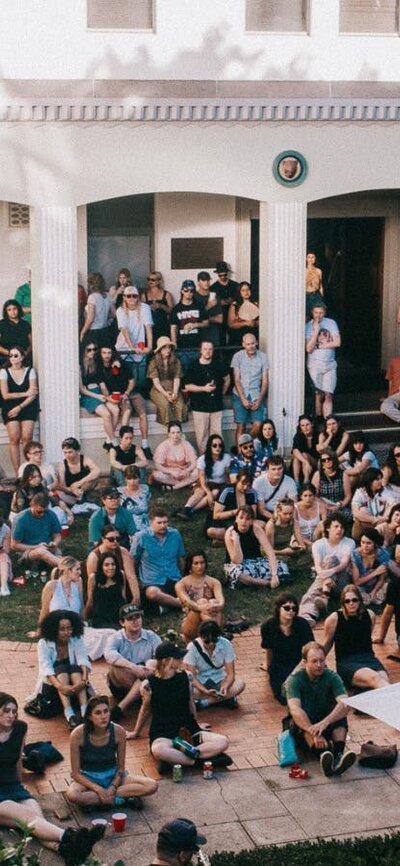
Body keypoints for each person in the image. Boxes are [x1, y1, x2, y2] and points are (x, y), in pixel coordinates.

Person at [0, 691, 104, 865]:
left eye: (14, 711)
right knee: (30, 819)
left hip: (13, 787)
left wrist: (20, 785)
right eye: (6, 711)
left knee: (38, 822)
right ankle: (72, 836)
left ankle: (66, 851)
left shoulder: (20, 728)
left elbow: (18, 759)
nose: (11, 715)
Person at [127, 642, 231, 773]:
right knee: (158, 750)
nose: (181, 659)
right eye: (178, 657)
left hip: (188, 729)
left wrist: (196, 723)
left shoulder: (186, 676)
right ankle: (198, 761)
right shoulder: (148, 685)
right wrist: (136, 732)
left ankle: (179, 760)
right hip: (163, 733)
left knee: (223, 741)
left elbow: (190, 703)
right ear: (168, 661)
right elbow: (145, 709)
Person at [66, 694, 157, 810]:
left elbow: (121, 768)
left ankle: (99, 802)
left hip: (113, 776)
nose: (103, 716)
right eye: (98, 713)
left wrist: (113, 787)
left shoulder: (119, 731)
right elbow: (75, 774)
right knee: (73, 795)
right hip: (88, 777)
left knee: (151, 785)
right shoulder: (77, 734)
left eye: (106, 711)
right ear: (89, 716)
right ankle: (123, 798)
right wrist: (98, 789)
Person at [283, 641, 356, 778]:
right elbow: (295, 709)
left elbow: (345, 703)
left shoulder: (332, 676)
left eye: (322, 660)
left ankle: (338, 755)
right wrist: (313, 731)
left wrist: (325, 723)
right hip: (304, 723)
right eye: (314, 661)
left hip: (323, 719)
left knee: (340, 716)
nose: (319, 665)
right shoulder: (294, 680)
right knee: (299, 723)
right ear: (305, 662)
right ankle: (324, 756)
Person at [323, 584, 390, 691]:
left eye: (355, 600)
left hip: (368, 658)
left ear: (360, 601)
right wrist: (321, 663)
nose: (351, 603)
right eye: (347, 601)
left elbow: (366, 637)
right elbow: (327, 644)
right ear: (343, 603)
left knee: (384, 679)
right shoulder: (334, 619)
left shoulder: (370, 615)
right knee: (375, 678)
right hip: (347, 662)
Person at [104, 602, 161, 722]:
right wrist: (133, 667)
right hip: (122, 685)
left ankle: (120, 708)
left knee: (152, 663)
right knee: (115, 666)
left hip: (145, 681)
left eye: (138, 617)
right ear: (122, 622)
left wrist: (149, 669)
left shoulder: (152, 636)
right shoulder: (115, 637)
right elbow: (109, 654)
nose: (135, 621)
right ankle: (140, 695)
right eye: (130, 618)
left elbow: (163, 659)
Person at [35, 610, 91, 729]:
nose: (67, 632)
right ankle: (70, 715)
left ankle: (85, 712)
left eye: (69, 628)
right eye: (62, 629)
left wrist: (84, 680)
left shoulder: (76, 639)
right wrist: (61, 687)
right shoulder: (43, 643)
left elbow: (83, 659)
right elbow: (46, 668)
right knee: (61, 669)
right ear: (53, 629)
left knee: (75, 669)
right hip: (54, 687)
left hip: (76, 686)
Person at [298, 514, 356, 625]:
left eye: (342, 527)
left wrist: (330, 572)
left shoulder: (349, 542)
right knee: (312, 593)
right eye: (336, 526)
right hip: (324, 578)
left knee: (331, 559)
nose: (339, 530)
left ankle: (325, 596)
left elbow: (344, 564)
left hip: (342, 582)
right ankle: (307, 616)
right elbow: (317, 565)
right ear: (328, 528)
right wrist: (325, 577)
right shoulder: (318, 544)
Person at [260, 592, 313, 703]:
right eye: (287, 608)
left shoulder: (302, 625)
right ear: (278, 608)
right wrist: (269, 667)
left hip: (299, 663)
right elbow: (268, 649)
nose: (291, 611)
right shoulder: (268, 626)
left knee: (307, 692)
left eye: (294, 608)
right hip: (279, 665)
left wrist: (299, 669)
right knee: (284, 697)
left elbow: (310, 650)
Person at [130, 508, 185, 613]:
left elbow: (180, 558)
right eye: (159, 523)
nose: (163, 526)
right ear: (151, 522)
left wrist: (181, 577)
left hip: (173, 577)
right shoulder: (141, 537)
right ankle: (183, 605)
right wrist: (137, 579)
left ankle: (166, 606)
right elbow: (133, 560)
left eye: (165, 522)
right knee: (152, 594)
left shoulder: (175, 534)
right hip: (152, 581)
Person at [184, 620, 245, 709]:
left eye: (214, 640)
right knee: (186, 690)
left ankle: (205, 702)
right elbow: (192, 676)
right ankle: (225, 698)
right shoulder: (192, 647)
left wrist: (225, 686)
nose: (211, 644)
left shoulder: (226, 644)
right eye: (207, 641)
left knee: (240, 684)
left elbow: (231, 674)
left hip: (220, 679)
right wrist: (204, 690)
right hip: (200, 682)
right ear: (200, 636)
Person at [224, 505, 287, 589]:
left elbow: (270, 553)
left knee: (282, 566)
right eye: (241, 518)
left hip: (256, 562)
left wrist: (274, 574)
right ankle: (266, 583)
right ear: (236, 519)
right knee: (238, 573)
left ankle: (264, 580)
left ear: (251, 521)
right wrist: (236, 541)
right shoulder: (230, 532)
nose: (244, 522)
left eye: (247, 519)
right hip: (237, 565)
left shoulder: (256, 529)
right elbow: (237, 560)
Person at [184, 340, 230, 453]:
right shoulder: (193, 366)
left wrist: (221, 393)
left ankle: (218, 459)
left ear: (213, 351)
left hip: (216, 405)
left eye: (210, 349)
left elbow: (227, 379)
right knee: (202, 436)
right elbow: (188, 386)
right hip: (199, 406)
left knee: (217, 435)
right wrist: (203, 388)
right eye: (205, 349)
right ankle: (204, 459)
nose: (207, 351)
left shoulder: (218, 364)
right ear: (200, 350)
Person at [0, 345, 39, 475]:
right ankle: (18, 474)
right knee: (14, 438)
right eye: (10, 355)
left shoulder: (30, 371)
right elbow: (5, 395)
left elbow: (33, 394)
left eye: (16, 355)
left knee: (27, 437)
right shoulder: (4, 372)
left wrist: (20, 406)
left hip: (27, 406)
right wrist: (25, 393)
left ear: (22, 357)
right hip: (10, 406)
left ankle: (29, 471)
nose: (12, 358)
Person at [175, 434, 230, 522]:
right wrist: (208, 492)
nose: (218, 448)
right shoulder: (202, 459)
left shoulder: (226, 458)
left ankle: (191, 511)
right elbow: (202, 478)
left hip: (220, 484)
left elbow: (228, 476)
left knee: (215, 493)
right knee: (200, 492)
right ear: (209, 446)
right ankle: (186, 508)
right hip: (205, 483)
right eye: (214, 445)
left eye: (220, 445)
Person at [175, 550, 225, 643]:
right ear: (190, 565)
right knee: (202, 602)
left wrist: (216, 606)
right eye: (196, 563)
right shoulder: (181, 584)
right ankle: (216, 634)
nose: (200, 566)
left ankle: (213, 634)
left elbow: (221, 600)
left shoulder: (214, 582)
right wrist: (201, 607)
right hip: (191, 625)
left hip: (212, 615)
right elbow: (187, 602)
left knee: (214, 602)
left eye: (202, 563)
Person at [79, 341, 120, 451]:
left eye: (94, 349)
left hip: (98, 392)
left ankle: (108, 440)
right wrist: (97, 396)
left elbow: (102, 383)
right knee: (107, 414)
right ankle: (115, 443)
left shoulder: (96, 363)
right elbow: (81, 389)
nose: (92, 352)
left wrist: (108, 397)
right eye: (89, 350)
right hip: (88, 395)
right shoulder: (79, 366)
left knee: (116, 410)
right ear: (84, 351)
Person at [231, 332, 269, 442]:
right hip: (239, 394)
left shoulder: (263, 357)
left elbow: (265, 381)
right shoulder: (237, 356)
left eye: (253, 343)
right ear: (243, 344)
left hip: (256, 394)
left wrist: (259, 400)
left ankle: (245, 444)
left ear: (256, 342)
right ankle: (240, 452)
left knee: (258, 425)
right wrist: (243, 398)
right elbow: (236, 379)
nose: (251, 346)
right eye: (248, 344)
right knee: (241, 426)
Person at [115, 284, 153, 394]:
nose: (131, 298)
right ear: (124, 297)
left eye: (134, 296)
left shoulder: (144, 307)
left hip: (140, 347)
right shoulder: (120, 310)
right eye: (128, 296)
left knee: (140, 380)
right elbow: (124, 330)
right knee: (126, 379)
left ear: (138, 297)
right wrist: (131, 347)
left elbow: (148, 327)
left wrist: (150, 346)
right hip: (124, 347)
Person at [86, 523, 138, 603]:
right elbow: (92, 582)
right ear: (103, 539)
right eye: (111, 539)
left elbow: (131, 576)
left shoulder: (123, 551)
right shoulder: (94, 557)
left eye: (118, 539)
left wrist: (136, 597)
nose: (115, 541)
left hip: (120, 587)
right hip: (102, 591)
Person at [305, 302, 341, 418]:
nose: (318, 315)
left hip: (330, 364)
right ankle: (319, 419)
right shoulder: (308, 326)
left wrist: (319, 346)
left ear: (324, 313)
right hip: (314, 365)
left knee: (328, 394)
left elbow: (337, 342)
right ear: (312, 312)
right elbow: (308, 348)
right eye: (316, 312)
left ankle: (328, 420)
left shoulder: (331, 323)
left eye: (321, 313)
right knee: (318, 394)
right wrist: (316, 331)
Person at [11, 492, 62, 569]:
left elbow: (57, 535)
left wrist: (54, 543)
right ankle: (69, 567)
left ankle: (67, 567)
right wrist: (37, 547)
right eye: (39, 512)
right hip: (28, 551)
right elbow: (14, 545)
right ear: (32, 505)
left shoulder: (51, 514)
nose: (42, 514)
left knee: (58, 559)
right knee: (41, 552)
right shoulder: (20, 519)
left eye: (45, 511)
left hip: (48, 548)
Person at [206, 468, 257, 541]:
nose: (245, 487)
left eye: (249, 485)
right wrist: (237, 512)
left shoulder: (252, 493)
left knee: (261, 525)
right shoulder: (227, 490)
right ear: (237, 480)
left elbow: (254, 515)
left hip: (244, 522)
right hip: (225, 521)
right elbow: (216, 515)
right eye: (243, 484)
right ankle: (241, 539)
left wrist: (244, 519)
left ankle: (230, 539)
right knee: (211, 531)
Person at [147, 335, 187, 426]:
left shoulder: (176, 361)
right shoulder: (154, 362)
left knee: (180, 405)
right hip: (159, 390)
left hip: (173, 388)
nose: (168, 350)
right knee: (165, 405)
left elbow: (177, 378)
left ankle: (178, 428)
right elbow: (156, 382)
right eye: (165, 347)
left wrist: (175, 392)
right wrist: (165, 394)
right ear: (160, 349)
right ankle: (169, 428)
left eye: (169, 347)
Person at [170, 280, 209, 373]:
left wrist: (195, 325)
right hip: (182, 347)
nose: (189, 293)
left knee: (199, 372)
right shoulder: (176, 309)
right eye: (186, 290)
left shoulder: (199, 306)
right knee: (184, 373)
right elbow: (173, 329)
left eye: (191, 291)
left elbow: (206, 323)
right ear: (182, 291)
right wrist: (174, 346)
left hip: (198, 346)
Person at [265, 498, 310, 575]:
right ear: (279, 511)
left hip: (288, 549)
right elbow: (269, 551)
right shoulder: (271, 525)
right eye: (285, 514)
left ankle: (294, 568)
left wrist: (299, 548)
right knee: (285, 561)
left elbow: (301, 543)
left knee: (310, 551)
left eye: (290, 513)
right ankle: (294, 568)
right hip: (275, 552)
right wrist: (283, 552)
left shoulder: (294, 522)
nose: (288, 516)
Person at [85, 551, 129, 629]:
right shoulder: (93, 578)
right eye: (106, 565)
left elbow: (123, 596)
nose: (110, 567)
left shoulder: (121, 574)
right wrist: (85, 617)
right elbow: (90, 600)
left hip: (117, 615)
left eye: (113, 564)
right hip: (100, 616)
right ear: (101, 566)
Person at [151, 422, 198, 490]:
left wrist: (187, 470)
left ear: (181, 433)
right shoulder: (163, 446)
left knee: (198, 471)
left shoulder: (186, 444)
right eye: (173, 433)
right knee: (156, 475)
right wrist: (170, 472)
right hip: (170, 474)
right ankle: (186, 484)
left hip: (184, 473)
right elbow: (157, 465)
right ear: (169, 434)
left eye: (178, 432)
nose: (176, 435)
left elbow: (194, 462)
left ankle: (174, 487)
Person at [96, 345, 135, 429]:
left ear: (113, 353)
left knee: (127, 411)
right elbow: (103, 387)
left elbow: (131, 381)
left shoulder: (122, 364)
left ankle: (124, 434)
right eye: (104, 353)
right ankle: (112, 436)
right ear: (100, 354)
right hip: (109, 396)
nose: (107, 355)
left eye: (109, 353)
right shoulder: (99, 367)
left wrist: (126, 393)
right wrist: (109, 398)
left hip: (123, 395)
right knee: (115, 411)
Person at [56, 437, 100, 509]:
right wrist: (72, 490)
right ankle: (78, 501)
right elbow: (62, 485)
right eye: (65, 452)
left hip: (85, 488)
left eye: (70, 452)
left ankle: (82, 498)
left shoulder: (85, 459)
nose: (67, 455)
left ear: (77, 451)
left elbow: (97, 471)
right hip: (71, 490)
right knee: (60, 489)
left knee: (94, 478)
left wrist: (80, 482)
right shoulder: (62, 465)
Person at [88, 486, 137, 550]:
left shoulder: (126, 513)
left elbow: (133, 535)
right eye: (111, 498)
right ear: (103, 500)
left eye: (117, 497)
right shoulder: (96, 518)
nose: (115, 500)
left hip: (121, 544)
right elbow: (95, 542)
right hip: (101, 545)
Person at [38, 556, 83, 625]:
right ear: (67, 571)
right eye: (77, 569)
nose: (80, 572)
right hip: (56, 627)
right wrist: (39, 629)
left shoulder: (78, 582)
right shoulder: (51, 586)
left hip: (75, 626)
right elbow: (44, 611)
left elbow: (81, 608)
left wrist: (84, 624)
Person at [351, 467, 393, 541]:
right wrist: (375, 519)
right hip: (366, 523)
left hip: (381, 523)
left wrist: (385, 517)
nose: (381, 481)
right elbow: (356, 513)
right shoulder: (360, 492)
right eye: (377, 479)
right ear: (370, 481)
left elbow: (393, 504)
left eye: (381, 478)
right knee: (363, 510)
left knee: (390, 507)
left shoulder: (384, 490)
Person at [351, 528, 390, 605]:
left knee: (387, 586)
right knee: (354, 590)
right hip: (361, 586)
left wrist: (374, 591)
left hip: (377, 585)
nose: (365, 546)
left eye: (368, 543)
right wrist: (375, 573)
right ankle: (369, 599)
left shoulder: (383, 554)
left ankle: (372, 597)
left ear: (375, 543)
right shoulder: (355, 555)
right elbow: (356, 582)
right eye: (363, 542)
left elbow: (382, 579)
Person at [253, 454, 298, 521]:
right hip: (266, 514)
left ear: (283, 468)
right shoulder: (259, 482)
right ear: (267, 469)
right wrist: (277, 519)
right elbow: (261, 510)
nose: (277, 472)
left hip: (284, 513)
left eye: (279, 468)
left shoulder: (290, 481)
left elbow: (294, 505)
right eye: (273, 469)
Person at [311, 448, 352, 519]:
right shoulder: (318, 475)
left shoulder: (343, 475)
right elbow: (314, 495)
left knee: (349, 516)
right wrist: (325, 505)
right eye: (323, 460)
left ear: (333, 459)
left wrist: (338, 506)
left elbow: (348, 496)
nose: (327, 461)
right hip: (323, 505)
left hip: (339, 505)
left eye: (329, 459)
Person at [79, 271, 114, 347]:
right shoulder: (108, 295)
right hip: (105, 330)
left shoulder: (92, 297)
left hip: (94, 332)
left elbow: (90, 319)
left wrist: (83, 332)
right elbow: (114, 313)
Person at [141, 270, 173, 344]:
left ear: (158, 281)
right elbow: (141, 311)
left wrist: (161, 306)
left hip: (163, 325)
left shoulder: (166, 294)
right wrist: (148, 308)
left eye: (153, 280)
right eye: (148, 279)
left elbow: (171, 310)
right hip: (149, 326)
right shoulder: (144, 295)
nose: (150, 281)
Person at [210, 260, 239, 339]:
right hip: (220, 317)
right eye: (220, 275)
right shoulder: (213, 288)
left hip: (233, 316)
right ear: (217, 274)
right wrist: (228, 301)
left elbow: (238, 300)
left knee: (234, 338)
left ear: (227, 273)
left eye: (224, 275)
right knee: (221, 339)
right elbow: (212, 304)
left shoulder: (235, 285)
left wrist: (222, 302)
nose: (223, 277)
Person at [117, 465, 151, 531]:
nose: (132, 481)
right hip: (127, 523)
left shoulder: (145, 489)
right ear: (125, 479)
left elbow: (149, 505)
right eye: (129, 479)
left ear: (139, 478)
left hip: (145, 522)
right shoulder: (119, 492)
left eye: (135, 478)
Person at [194, 269, 223, 346]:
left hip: (213, 335)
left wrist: (204, 320)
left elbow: (220, 319)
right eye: (203, 280)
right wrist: (208, 306)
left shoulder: (214, 296)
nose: (206, 282)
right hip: (198, 335)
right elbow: (193, 318)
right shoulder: (193, 297)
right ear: (198, 282)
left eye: (208, 280)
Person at [294, 482, 327, 547]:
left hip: (316, 536)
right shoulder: (295, 508)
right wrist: (310, 544)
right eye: (305, 496)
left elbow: (326, 526)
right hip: (300, 537)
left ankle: (325, 544)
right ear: (301, 496)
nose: (308, 499)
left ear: (314, 496)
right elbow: (295, 531)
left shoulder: (321, 507)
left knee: (323, 524)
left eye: (310, 495)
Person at [227, 280, 259, 346]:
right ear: (239, 292)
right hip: (239, 336)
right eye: (243, 290)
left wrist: (255, 323)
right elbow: (231, 324)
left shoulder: (257, 304)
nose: (246, 292)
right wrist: (245, 323)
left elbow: (264, 321)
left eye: (248, 289)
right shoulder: (234, 305)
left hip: (254, 336)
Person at [291, 414, 319, 485]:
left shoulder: (318, 435)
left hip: (315, 462)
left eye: (307, 425)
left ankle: (306, 481)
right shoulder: (298, 435)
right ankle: (297, 482)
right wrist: (306, 462)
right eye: (302, 426)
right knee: (296, 458)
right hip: (303, 463)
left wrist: (305, 460)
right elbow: (295, 450)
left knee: (304, 455)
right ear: (300, 427)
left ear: (312, 424)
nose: (305, 428)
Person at [305, 252, 323, 318]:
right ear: (306, 259)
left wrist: (321, 297)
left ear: (315, 259)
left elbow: (321, 285)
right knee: (306, 315)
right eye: (309, 257)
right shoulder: (303, 271)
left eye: (313, 257)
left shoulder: (319, 271)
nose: (311, 259)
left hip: (316, 295)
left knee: (317, 315)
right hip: (306, 295)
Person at [0, 510, 12, 597]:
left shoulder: (5, 529)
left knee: (4, 556)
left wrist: (2, 549)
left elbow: (7, 550)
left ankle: (4, 586)